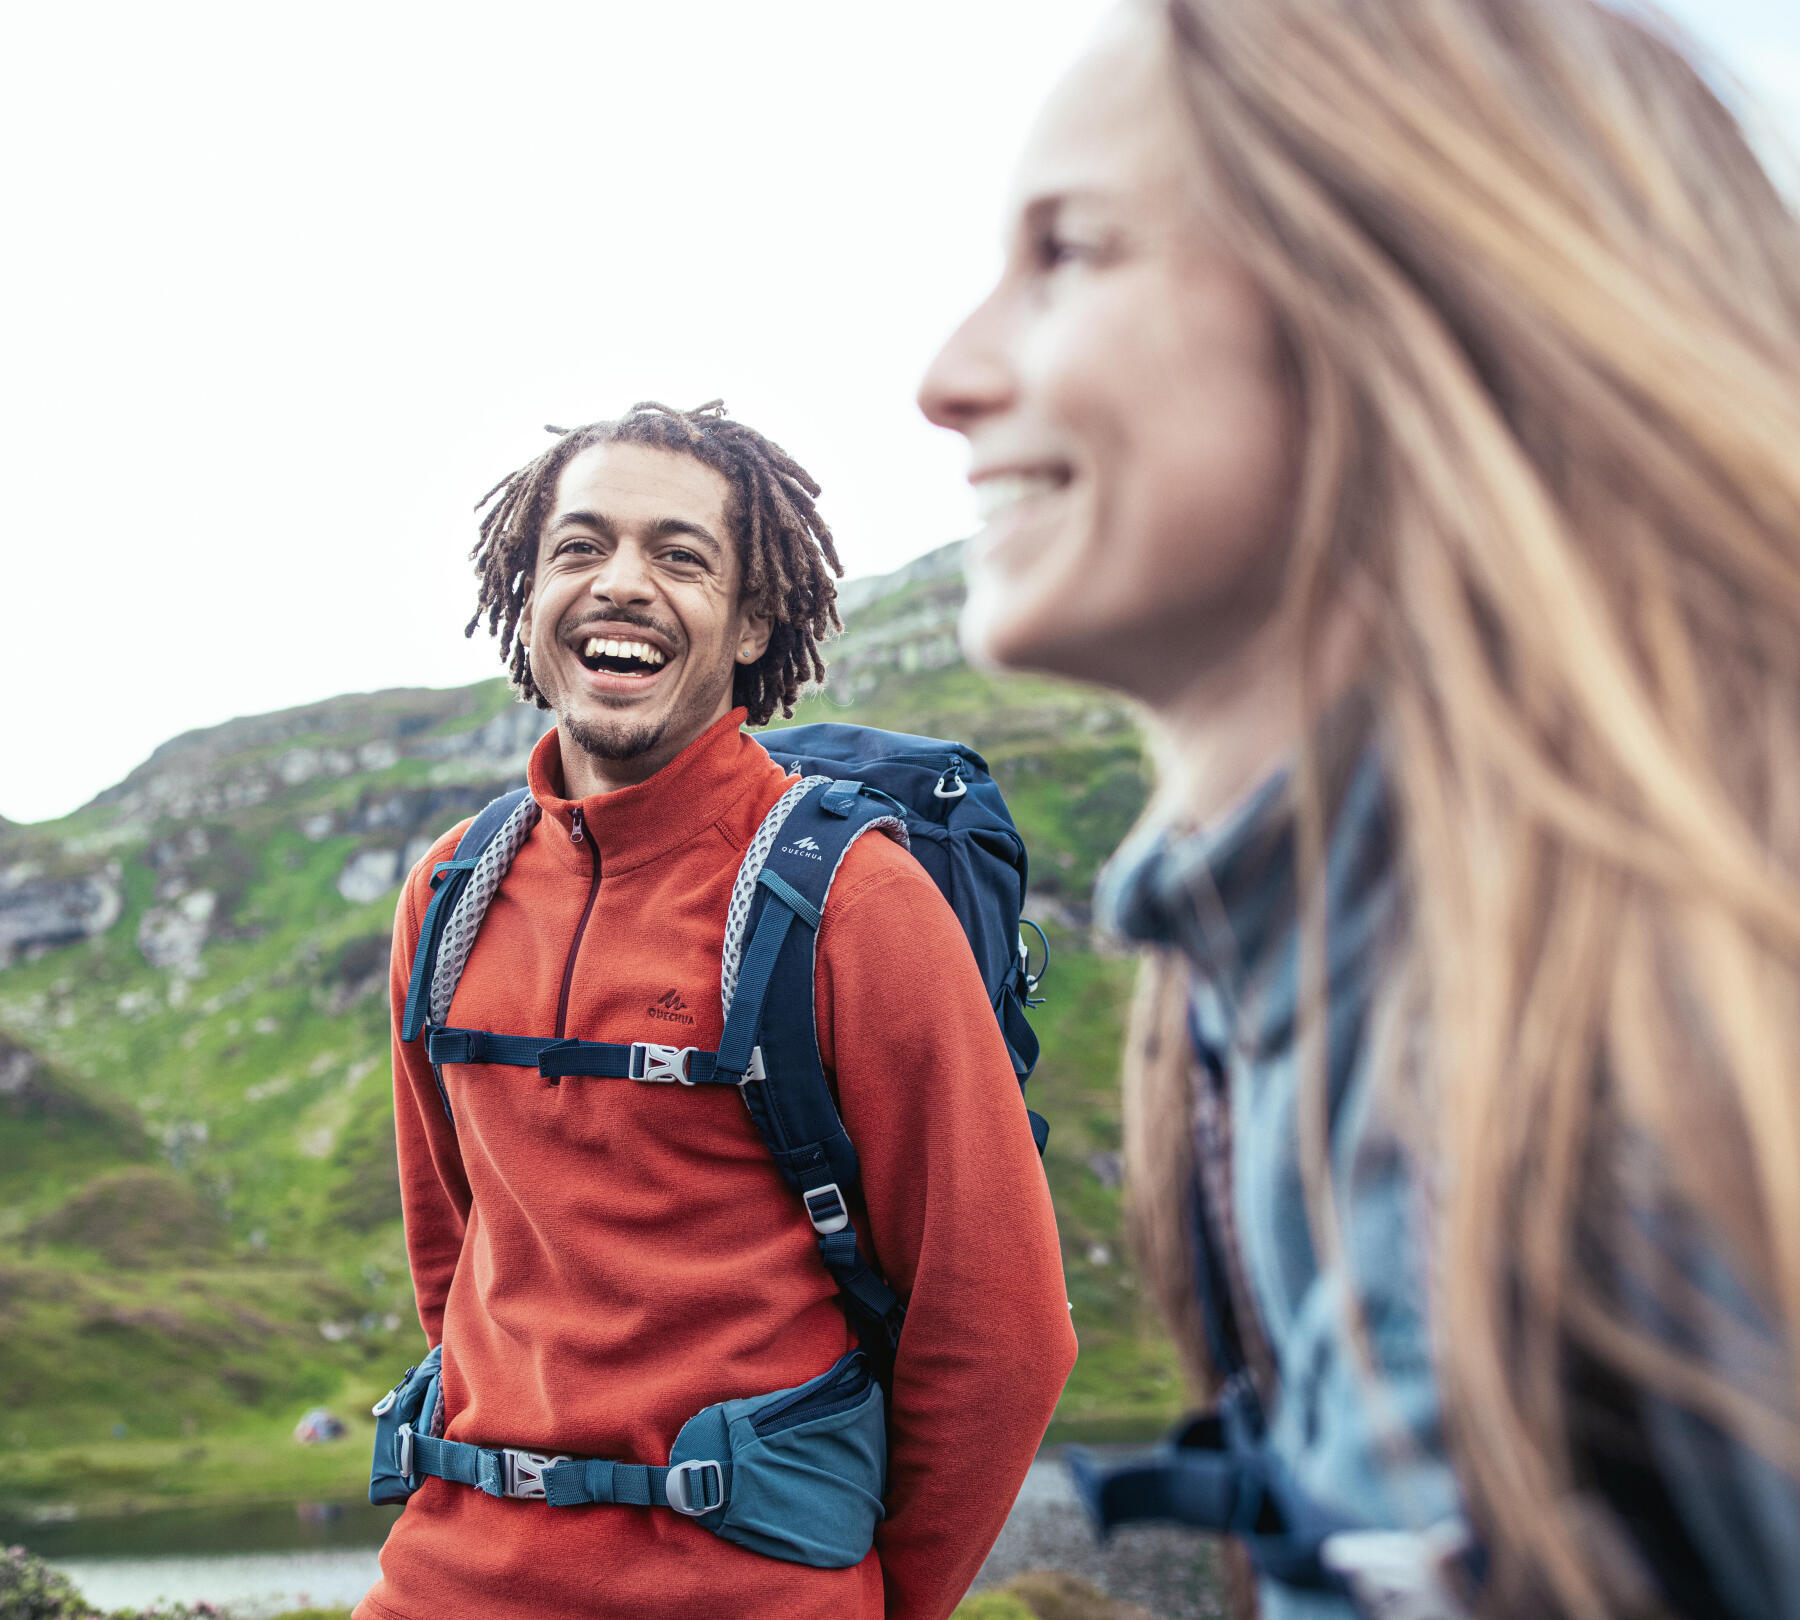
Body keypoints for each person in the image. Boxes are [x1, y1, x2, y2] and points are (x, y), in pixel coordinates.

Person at [919, 2, 1800, 1617]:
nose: (949, 377)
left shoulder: (1721, 1024)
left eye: (1074, 253)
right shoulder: (1249, 1000)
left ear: (1418, 285)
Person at [357, 400, 1075, 1620]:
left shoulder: (857, 901)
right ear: (523, 597)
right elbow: (458, 1258)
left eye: (679, 556)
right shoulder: (448, 895)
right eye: (577, 550)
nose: (619, 585)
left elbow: (1002, 1330)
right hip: (445, 1581)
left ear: (752, 623)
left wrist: (869, 1601)